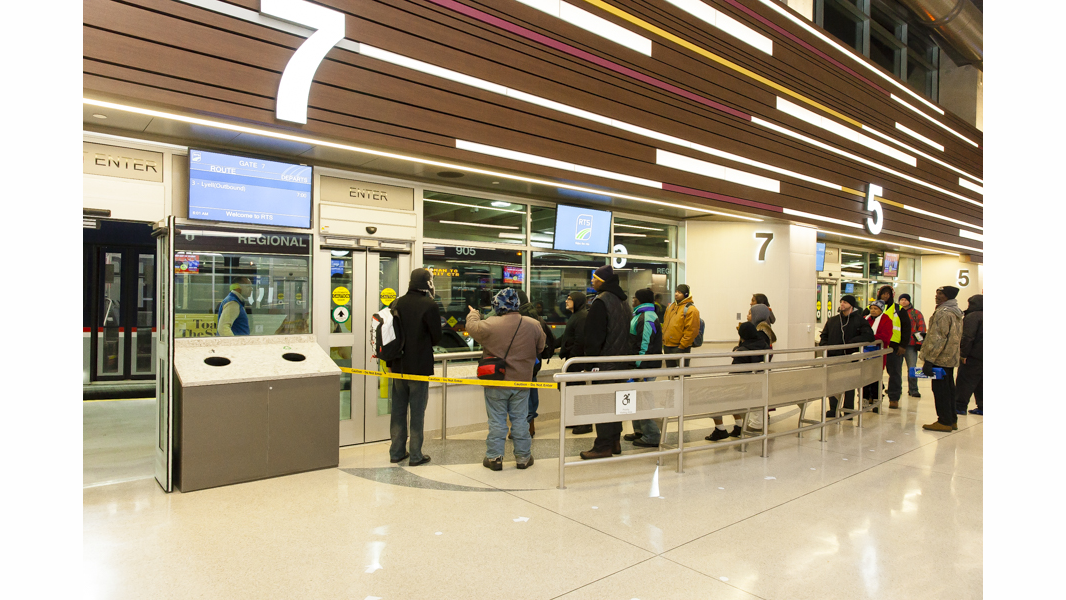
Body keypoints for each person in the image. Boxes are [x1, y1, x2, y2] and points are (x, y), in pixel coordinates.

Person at [465, 289, 545, 470]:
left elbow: (471, 328)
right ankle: (523, 458)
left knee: (497, 420)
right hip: (522, 382)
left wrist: (473, 314)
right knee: (520, 419)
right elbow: (541, 346)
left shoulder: (490, 324)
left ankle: (494, 458)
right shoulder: (533, 324)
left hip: (496, 380)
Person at [387, 268, 443, 466]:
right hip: (419, 367)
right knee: (417, 412)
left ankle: (396, 452)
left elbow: (390, 335)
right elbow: (437, 337)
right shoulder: (429, 305)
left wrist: (390, 363)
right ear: (427, 283)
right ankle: (416, 455)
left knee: (398, 410)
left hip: (398, 365)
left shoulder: (397, 302)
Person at [579, 266, 633, 460]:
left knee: (602, 404)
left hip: (604, 363)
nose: (592, 281)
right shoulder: (624, 302)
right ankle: (615, 442)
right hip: (621, 363)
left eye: (594, 278)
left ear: (602, 281)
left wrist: (590, 364)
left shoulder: (600, 302)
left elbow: (594, 336)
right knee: (617, 404)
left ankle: (602, 446)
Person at [706, 322, 770, 441]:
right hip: (759, 391)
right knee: (734, 393)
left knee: (714, 394)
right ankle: (739, 426)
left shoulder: (742, 353)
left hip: (742, 392)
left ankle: (720, 428)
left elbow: (733, 377)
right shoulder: (765, 347)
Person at [818, 294, 875, 418]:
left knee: (849, 384)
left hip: (850, 358)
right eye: (841, 301)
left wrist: (854, 342)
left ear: (851, 305)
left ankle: (848, 409)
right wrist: (826, 348)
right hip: (833, 357)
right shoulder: (833, 320)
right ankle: (833, 408)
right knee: (832, 384)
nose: (842, 304)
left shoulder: (859, 320)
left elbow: (869, 336)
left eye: (845, 302)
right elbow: (824, 336)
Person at [920, 286, 964, 432]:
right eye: (937, 293)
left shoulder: (943, 313)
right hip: (950, 358)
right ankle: (952, 420)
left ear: (948, 297)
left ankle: (944, 421)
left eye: (941, 294)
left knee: (940, 391)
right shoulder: (956, 312)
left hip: (940, 359)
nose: (937, 296)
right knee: (949, 389)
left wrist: (929, 360)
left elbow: (938, 338)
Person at [623, 288, 663, 448]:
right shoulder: (640, 316)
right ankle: (639, 431)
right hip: (638, 366)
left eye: (634, 298)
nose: (632, 300)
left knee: (644, 400)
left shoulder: (646, 318)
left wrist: (639, 367)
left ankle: (652, 435)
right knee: (636, 399)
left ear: (640, 300)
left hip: (644, 367)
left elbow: (645, 345)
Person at [517, 291, 556, 437]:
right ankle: (531, 426)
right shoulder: (537, 317)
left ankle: (524, 428)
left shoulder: (519, 318)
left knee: (520, 397)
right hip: (535, 362)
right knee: (532, 391)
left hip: (520, 363)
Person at [558, 291, 593, 435]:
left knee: (578, 391)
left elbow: (580, 341)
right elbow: (567, 337)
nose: (566, 301)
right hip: (572, 361)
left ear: (577, 301)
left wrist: (572, 358)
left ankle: (585, 423)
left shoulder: (582, 317)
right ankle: (575, 420)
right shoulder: (576, 316)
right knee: (571, 390)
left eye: (570, 299)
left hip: (576, 361)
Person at [876, 285, 911, 409]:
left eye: (888, 294)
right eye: (883, 293)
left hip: (894, 347)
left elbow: (907, 328)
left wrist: (903, 345)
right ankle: (874, 396)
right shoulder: (872, 308)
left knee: (894, 373)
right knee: (874, 373)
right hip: (876, 347)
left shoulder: (899, 309)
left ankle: (894, 397)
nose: (885, 296)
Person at [955, 294, 983, 415]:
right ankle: (982, 406)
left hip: (973, 356)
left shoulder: (972, 317)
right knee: (981, 382)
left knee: (964, 381)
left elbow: (968, 337)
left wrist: (963, 354)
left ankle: (960, 406)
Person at [862, 300, 894, 406]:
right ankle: (865, 398)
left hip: (878, 353)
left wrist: (871, 338)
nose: (873, 311)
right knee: (864, 376)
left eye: (875, 309)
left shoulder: (886, 320)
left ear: (881, 310)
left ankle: (876, 400)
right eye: (871, 308)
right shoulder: (865, 319)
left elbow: (886, 336)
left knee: (876, 377)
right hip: (865, 353)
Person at [662, 284, 700, 368]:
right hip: (667, 345)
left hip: (680, 346)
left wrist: (682, 345)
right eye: (676, 291)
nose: (676, 294)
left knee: (682, 373)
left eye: (679, 292)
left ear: (686, 294)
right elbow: (665, 324)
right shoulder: (670, 306)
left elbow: (692, 330)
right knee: (671, 372)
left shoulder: (691, 310)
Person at [899, 293, 926, 398]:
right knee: (896, 369)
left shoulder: (916, 313)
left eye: (905, 300)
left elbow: (921, 328)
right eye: (902, 300)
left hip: (911, 345)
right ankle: (897, 389)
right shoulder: (897, 312)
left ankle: (913, 389)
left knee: (912, 368)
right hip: (899, 344)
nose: (903, 302)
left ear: (909, 301)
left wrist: (919, 343)